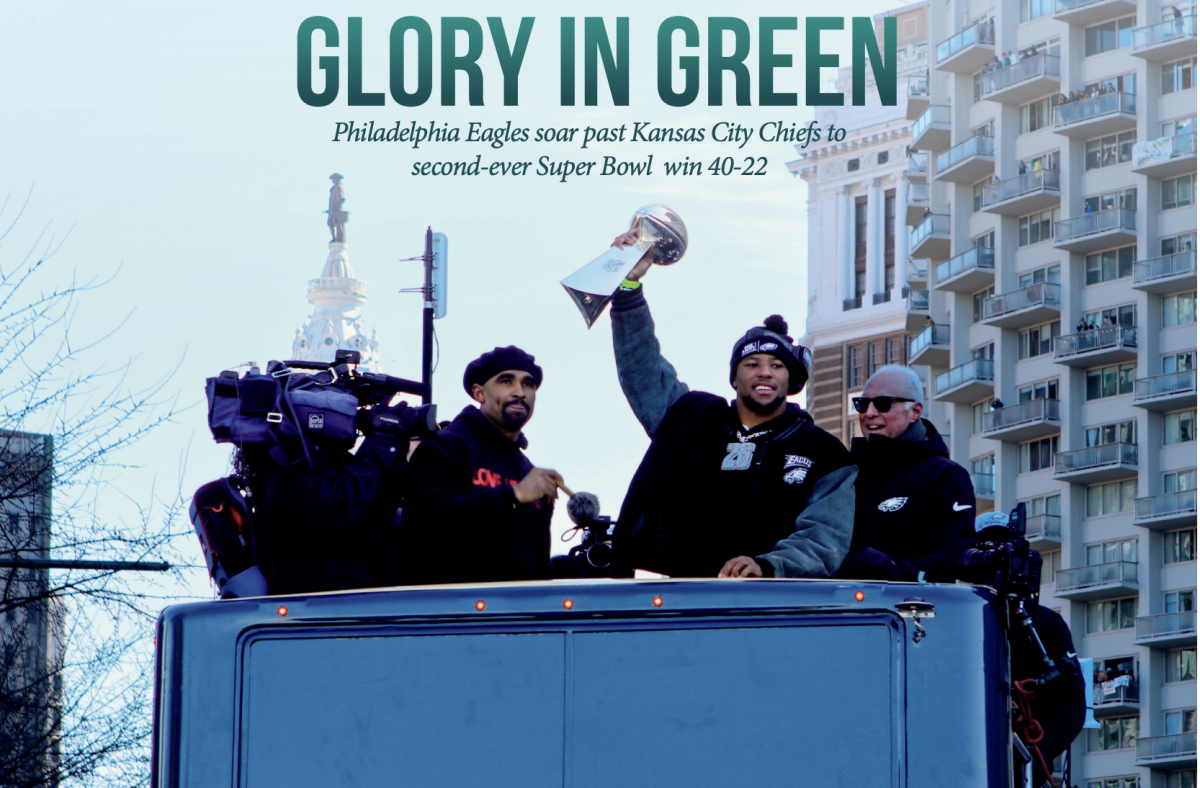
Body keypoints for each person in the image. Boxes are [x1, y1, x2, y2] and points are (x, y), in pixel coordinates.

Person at [604, 232, 857, 579]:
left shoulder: (823, 452)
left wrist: (766, 566)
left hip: (774, 610)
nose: (764, 373)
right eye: (752, 364)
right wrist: (628, 287)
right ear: (734, 379)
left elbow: (825, 538)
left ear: (792, 380)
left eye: (777, 365)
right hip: (685, 601)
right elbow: (642, 370)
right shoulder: (691, 422)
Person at [400, 346, 566, 584]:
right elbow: (423, 521)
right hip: (455, 611)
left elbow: (537, 558)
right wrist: (514, 494)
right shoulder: (446, 446)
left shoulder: (529, 471)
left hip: (520, 613)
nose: (520, 392)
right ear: (479, 393)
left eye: (528, 384)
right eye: (507, 382)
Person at [236, 395, 421, 595]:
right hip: (324, 606)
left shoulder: (308, 464)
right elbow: (340, 509)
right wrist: (383, 440)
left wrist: (396, 448)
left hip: (345, 600)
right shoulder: (292, 467)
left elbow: (373, 511)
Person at [969, 513, 1086, 788]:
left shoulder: (1045, 623)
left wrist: (1040, 750)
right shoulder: (954, 620)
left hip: (1029, 767)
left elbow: (1072, 700)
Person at [837, 365, 975, 583]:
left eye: (883, 403)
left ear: (915, 411)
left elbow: (955, 559)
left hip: (908, 611)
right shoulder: (845, 473)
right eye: (862, 404)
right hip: (837, 610)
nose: (870, 413)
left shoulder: (946, 476)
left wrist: (893, 571)